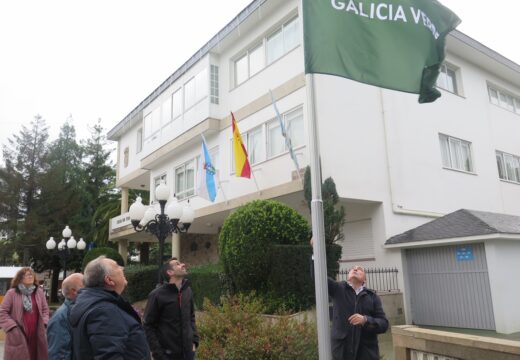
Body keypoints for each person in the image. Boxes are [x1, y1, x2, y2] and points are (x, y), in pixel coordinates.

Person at [311, 238, 388, 360]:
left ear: (365, 280)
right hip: (342, 353)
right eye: (353, 268)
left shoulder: (373, 297)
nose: (355, 269)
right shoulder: (338, 289)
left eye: (360, 269)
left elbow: (384, 324)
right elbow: (318, 278)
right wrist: (315, 252)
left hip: (366, 355)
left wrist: (365, 320)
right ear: (348, 276)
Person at [69, 256, 150, 359]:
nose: (122, 268)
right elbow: (109, 355)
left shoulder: (97, 305)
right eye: (117, 266)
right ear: (109, 280)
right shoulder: (104, 311)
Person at [144, 257, 199, 360]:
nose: (183, 265)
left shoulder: (188, 291)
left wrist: (194, 341)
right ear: (170, 272)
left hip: (189, 353)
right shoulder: (156, 295)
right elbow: (148, 326)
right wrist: (158, 354)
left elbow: (191, 316)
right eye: (177, 264)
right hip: (167, 355)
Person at [0, 267, 50, 360]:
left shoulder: (39, 292)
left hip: (36, 334)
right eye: (27, 274)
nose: (30, 276)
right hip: (18, 334)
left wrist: (44, 323)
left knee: (36, 355)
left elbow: (45, 310)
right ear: (20, 278)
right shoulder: (12, 293)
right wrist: (12, 327)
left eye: (31, 274)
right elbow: (2, 312)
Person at [47, 272, 84, 360]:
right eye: (85, 285)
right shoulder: (60, 318)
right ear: (73, 291)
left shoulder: (80, 311)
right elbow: (59, 354)